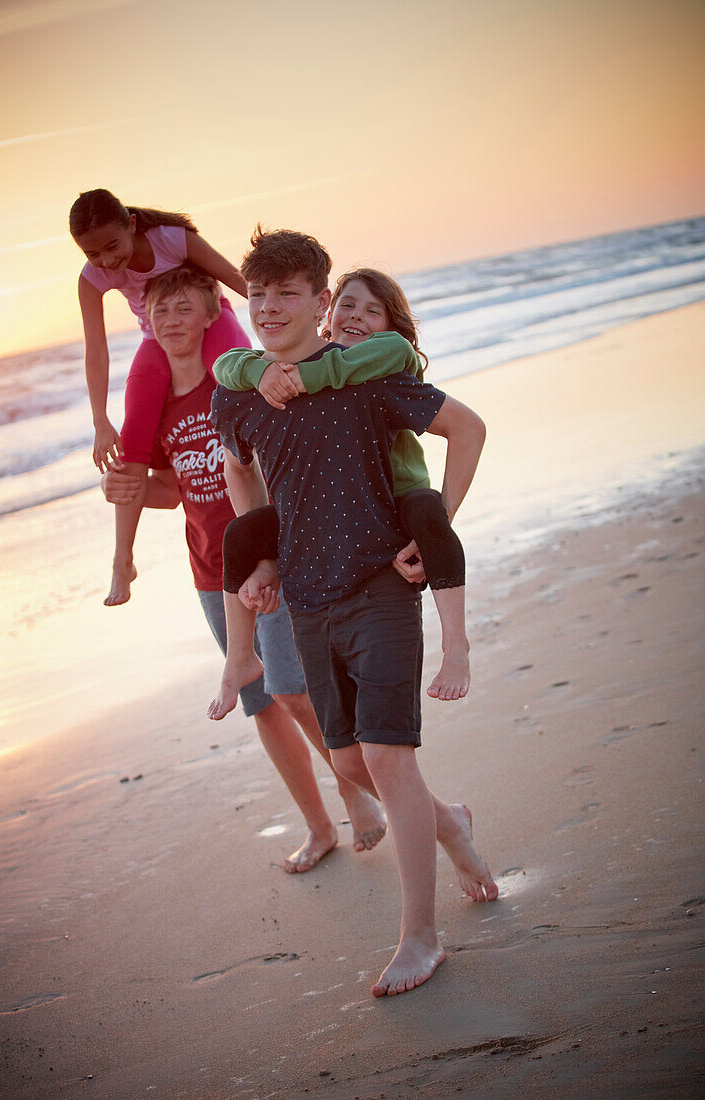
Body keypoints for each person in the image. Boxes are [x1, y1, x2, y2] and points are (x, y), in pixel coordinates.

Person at [211, 227, 498, 998]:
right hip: (307, 596)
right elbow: (241, 471)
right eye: (258, 293)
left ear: (318, 300)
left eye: (286, 293)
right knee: (347, 763)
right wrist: (264, 558)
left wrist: (433, 523)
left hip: (378, 584)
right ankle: (454, 826)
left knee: (386, 757)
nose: (269, 307)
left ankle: (420, 937)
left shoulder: (365, 376)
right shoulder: (240, 391)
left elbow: (465, 428)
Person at [101, 264, 386, 873]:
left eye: (184, 309)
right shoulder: (159, 406)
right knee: (262, 706)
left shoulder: (233, 382)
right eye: (160, 313)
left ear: (210, 315)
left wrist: (273, 560)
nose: (171, 321)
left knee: (295, 691)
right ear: (146, 326)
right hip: (210, 573)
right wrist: (121, 487)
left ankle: (356, 793)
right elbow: (174, 491)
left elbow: (263, 462)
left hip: (262, 564)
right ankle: (318, 829)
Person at [212, 267, 469, 717]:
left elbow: (464, 425)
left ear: (393, 326)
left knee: (430, 512)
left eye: (374, 311)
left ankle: (456, 645)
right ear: (327, 311)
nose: (357, 316)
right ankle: (239, 657)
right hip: (320, 514)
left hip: (397, 501)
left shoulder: (385, 357)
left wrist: (307, 377)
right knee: (239, 533)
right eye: (347, 305)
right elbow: (225, 363)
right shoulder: (285, 371)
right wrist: (258, 369)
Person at [69, 187, 249, 607]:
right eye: (93, 254)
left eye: (113, 246)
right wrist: (100, 421)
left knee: (239, 386)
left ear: (132, 225)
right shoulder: (92, 278)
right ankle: (122, 560)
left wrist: (279, 316)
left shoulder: (171, 238)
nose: (107, 261)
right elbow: (95, 349)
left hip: (211, 317)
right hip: (157, 334)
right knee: (132, 441)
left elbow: (233, 278)